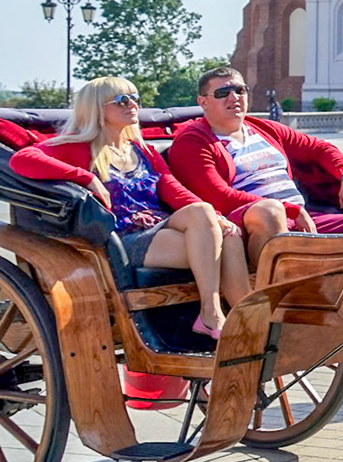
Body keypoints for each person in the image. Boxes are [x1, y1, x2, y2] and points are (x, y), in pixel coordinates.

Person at [12, 77, 249, 339]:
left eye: (135, 98)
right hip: (120, 239)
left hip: (157, 227)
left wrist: (218, 218)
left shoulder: (142, 150)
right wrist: (86, 177)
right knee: (214, 231)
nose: (133, 105)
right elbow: (22, 159)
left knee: (226, 231)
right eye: (121, 100)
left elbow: (174, 190)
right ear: (97, 110)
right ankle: (212, 314)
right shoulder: (77, 147)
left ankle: (245, 321)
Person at [166, 66, 343, 264]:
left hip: (304, 218)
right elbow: (218, 197)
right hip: (253, 227)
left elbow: (320, 148)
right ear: (203, 102)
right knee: (271, 213)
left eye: (240, 90)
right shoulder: (192, 142)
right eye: (222, 93)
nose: (233, 97)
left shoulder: (262, 127)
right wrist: (290, 210)